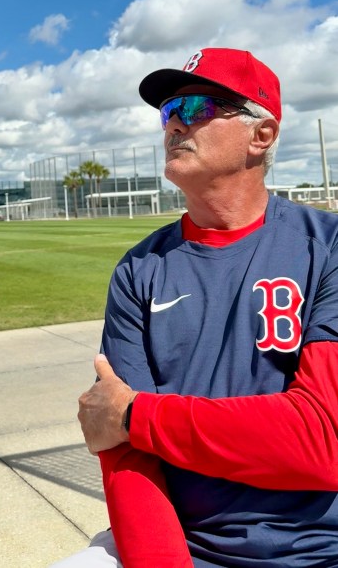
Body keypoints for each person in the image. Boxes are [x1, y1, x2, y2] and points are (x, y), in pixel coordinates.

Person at [52, 47, 338, 567]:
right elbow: (124, 453)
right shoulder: (139, 269)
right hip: (182, 541)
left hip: (318, 546)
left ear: (261, 135)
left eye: (197, 109)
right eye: (169, 113)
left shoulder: (329, 247)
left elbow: (323, 440)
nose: (174, 126)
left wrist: (137, 414)